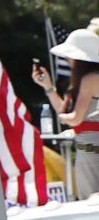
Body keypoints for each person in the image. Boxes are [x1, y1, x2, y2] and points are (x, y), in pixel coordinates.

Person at [33, 25, 99, 199]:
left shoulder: (90, 79)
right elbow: (71, 113)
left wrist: (64, 119)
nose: (68, 60)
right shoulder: (91, 78)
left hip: (92, 151)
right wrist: (48, 87)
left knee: (91, 203)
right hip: (89, 149)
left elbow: (75, 118)